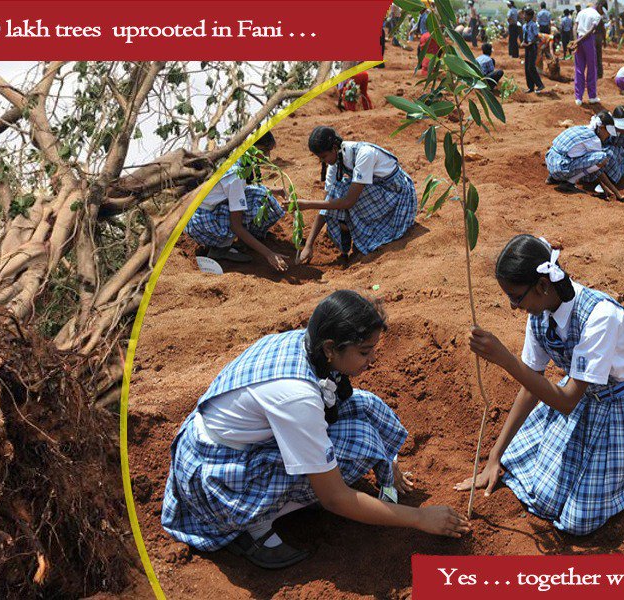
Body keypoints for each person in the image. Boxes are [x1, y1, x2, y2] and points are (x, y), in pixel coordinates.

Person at [163, 291, 471, 568]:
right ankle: (251, 525)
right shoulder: (297, 395)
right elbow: (334, 498)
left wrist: (388, 461)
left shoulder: (304, 342)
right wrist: (419, 518)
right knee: (357, 450)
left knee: (366, 407)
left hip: (220, 441)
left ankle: (277, 501)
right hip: (216, 481)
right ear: (330, 348)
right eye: (364, 352)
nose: (372, 360)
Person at [456, 235, 624, 536]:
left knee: (577, 521)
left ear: (541, 286)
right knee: (534, 484)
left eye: (516, 297)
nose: (513, 307)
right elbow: (530, 386)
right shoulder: (540, 312)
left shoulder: (600, 316)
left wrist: (505, 360)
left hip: (621, 410)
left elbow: (566, 401)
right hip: (580, 400)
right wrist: (495, 457)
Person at [296, 127, 418, 264]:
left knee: (341, 192)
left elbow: (349, 201)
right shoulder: (335, 162)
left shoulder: (364, 154)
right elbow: (326, 204)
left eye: (323, 157)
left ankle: (348, 228)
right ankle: (347, 231)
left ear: (334, 148)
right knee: (337, 193)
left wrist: (307, 204)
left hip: (398, 194)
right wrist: (308, 245)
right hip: (378, 193)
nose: (323, 161)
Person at [184, 132, 288, 271]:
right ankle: (221, 249)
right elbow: (236, 226)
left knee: (259, 193)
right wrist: (269, 254)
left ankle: (222, 244)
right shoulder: (236, 175)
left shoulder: (235, 160)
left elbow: (241, 187)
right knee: (258, 199)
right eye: (263, 151)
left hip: (198, 212)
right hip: (200, 223)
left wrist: (274, 189)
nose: (267, 157)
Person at [544, 114, 624, 201]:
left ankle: (552, 178)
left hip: (551, 161)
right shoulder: (594, 140)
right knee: (602, 157)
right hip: (560, 169)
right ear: (601, 128)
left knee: (575, 153)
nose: (608, 136)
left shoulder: (581, 128)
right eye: (608, 132)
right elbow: (598, 170)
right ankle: (569, 183)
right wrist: (617, 193)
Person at [570, 1, 604, 106]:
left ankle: (578, 98)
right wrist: (579, 41)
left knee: (579, 69)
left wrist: (576, 41)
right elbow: (590, 30)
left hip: (579, 38)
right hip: (588, 40)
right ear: (599, 7)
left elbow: (575, 27)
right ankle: (592, 96)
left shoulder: (581, 12)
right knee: (591, 68)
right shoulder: (597, 16)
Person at [522, 7, 546, 94]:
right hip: (527, 47)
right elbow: (525, 37)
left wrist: (529, 43)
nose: (523, 16)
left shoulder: (533, 25)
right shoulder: (524, 26)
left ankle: (540, 84)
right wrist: (523, 43)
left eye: (525, 14)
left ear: (529, 16)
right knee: (527, 68)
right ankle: (530, 87)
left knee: (531, 67)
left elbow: (536, 37)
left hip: (532, 47)